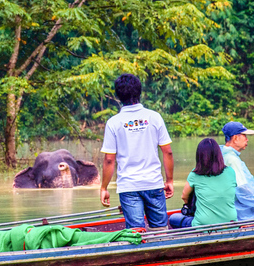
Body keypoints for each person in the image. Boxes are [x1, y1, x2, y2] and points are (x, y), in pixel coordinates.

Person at [100, 74, 174, 231]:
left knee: (136, 232)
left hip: (129, 186)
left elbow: (109, 160)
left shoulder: (114, 123)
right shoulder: (154, 117)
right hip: (153, 182)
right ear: (140, 92)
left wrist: (104, 188)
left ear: (118, 96)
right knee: (160, 230)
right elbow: (167, 152)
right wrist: (169, 181)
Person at [169, 138, 237, 228]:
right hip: (230, 224)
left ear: (199, 156)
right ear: (219, 155)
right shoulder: (230, 172)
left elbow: (184, 196)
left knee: (173, 218)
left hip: (203, 225)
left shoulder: (195, 174)